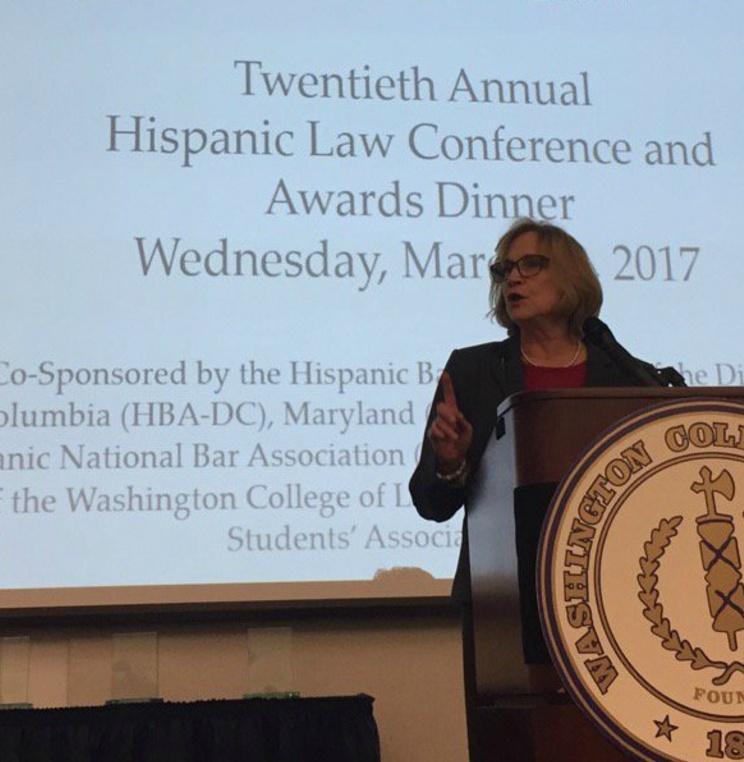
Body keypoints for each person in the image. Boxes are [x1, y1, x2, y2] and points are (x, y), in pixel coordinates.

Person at [409, 217, 656, 761]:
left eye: (529, 264)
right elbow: (430, 500)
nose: (511, 278)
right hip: (506, 604)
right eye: (503, 269)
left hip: (611, 599)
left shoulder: (626, 378)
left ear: (569, 275)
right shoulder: (474, 371)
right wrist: (452, 463)